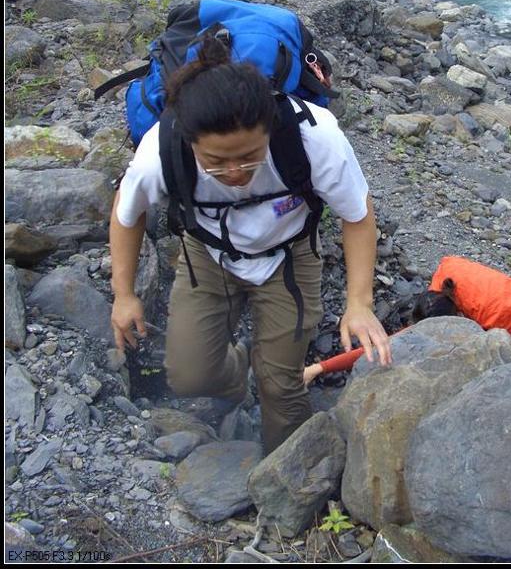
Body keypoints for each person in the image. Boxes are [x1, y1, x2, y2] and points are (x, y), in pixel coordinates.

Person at [109, 36, 392, 454]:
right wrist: (123, 294)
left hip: (289, 256)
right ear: (190, 140)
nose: (235, 172)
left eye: (249, 155)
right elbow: (126, 213)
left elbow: (358, 215)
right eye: (216, 161)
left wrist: (359, 303)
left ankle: (286, 474)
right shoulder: (161, 150)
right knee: (190, 376)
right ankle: (240, 367)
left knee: (281, 386)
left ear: (269, 129)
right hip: (208, 254)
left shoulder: (313, 136)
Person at [303, 256, 511, 385]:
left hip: (505, 305)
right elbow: (384, 344)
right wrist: (319, 368)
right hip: (483, 291)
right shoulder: (442, 282)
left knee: (500, 360)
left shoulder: (494, 317)